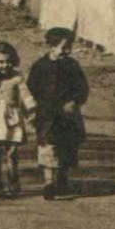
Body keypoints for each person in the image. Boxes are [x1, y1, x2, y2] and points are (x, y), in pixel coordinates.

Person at [25, 25, 89, 200]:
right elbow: (31, 88)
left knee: (67, 146)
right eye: (63, 47)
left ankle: (62, 179)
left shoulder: (72, 65)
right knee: (48, 147)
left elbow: (82, 87)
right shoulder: (40, 66)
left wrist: (75, 101)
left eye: (69, 47)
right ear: (51, 46)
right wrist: (33, 108)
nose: (67, 51)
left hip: (68, 115)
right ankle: (49, 182)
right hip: (47, 115)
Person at [0, 41, 39, 198]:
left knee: (11, 153)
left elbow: (25, 94)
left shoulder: (17, 78)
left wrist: (31, 109)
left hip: (12, 120)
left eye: (8, 62)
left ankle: (13, 183)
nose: (5, 65)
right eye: (1, 62)